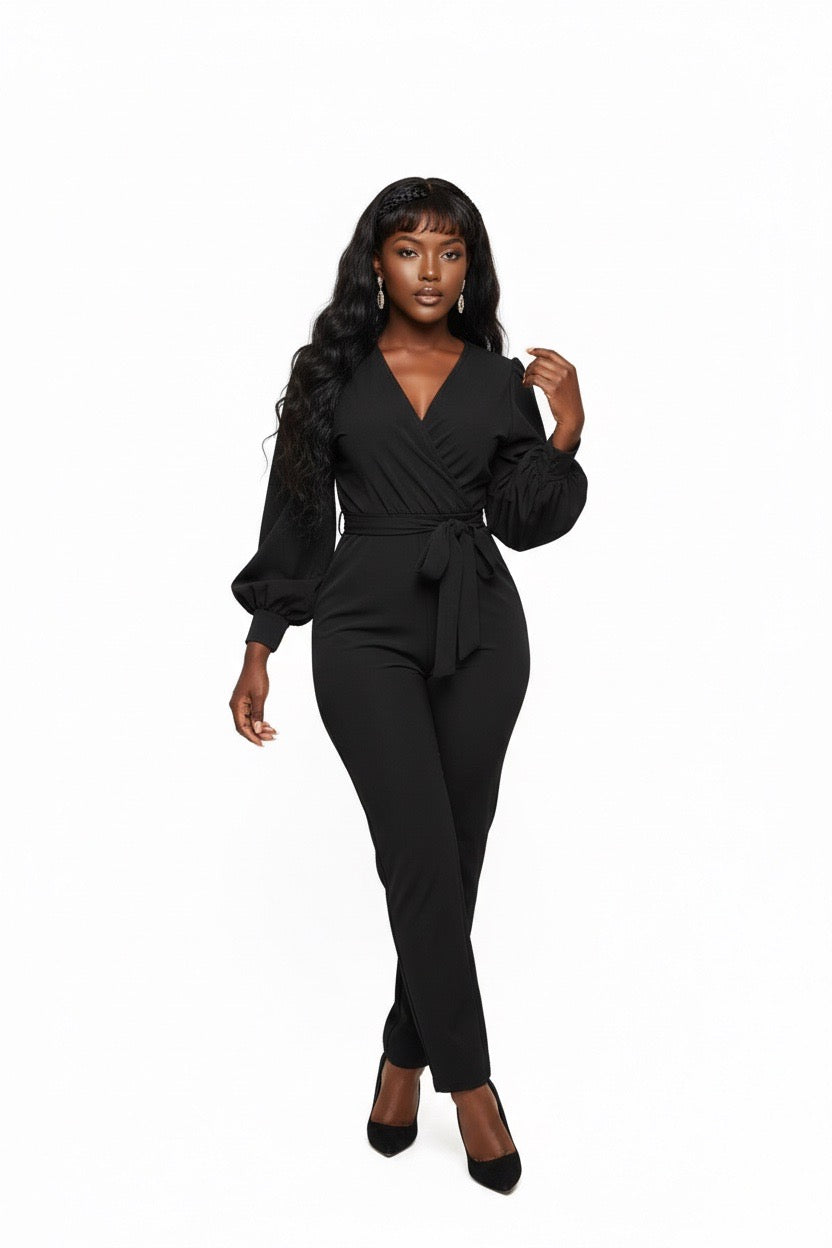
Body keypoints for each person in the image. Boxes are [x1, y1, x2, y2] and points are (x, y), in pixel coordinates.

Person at [229, 177, 588, 1193]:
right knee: (418, 854)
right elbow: (298, 512)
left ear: (470, 267)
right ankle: (471, 1086)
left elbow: (523, 519)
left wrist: (563, 430)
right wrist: (262, 642)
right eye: (408, 249)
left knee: (453, 859)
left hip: (482, 630)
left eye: (450, 251)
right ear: (375, 264)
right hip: (362, 631)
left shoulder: (497, 380)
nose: (430, 270)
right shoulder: (329, 373)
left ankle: (401, 1056)